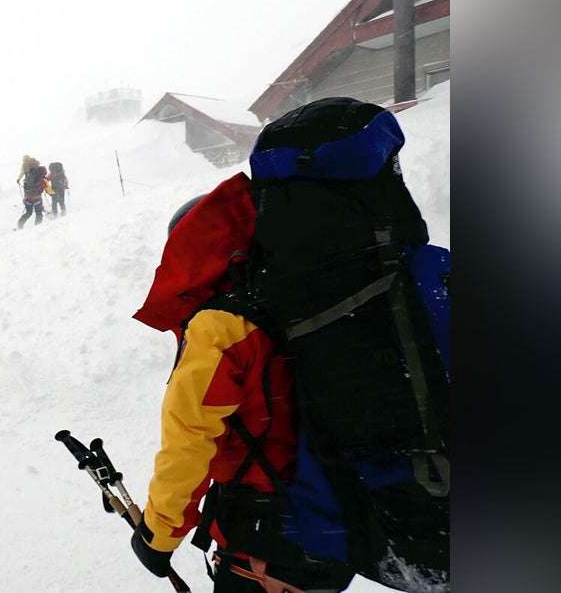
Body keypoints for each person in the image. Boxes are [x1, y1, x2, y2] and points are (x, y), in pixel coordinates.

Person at [128, 97, 449, 593]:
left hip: (271, 537)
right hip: (348, 526)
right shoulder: (382, 283)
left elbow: (189, 440)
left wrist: (158, 535)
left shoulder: (224, 324)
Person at [16, 164, 50, 229]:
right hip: (36, 198)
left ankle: (20, 224)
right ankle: (37, 227)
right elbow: (48, 190)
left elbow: (25, 187)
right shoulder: (42, 179)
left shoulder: (28, 177)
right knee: (39, 213)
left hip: (27, 198)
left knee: (28, 213)